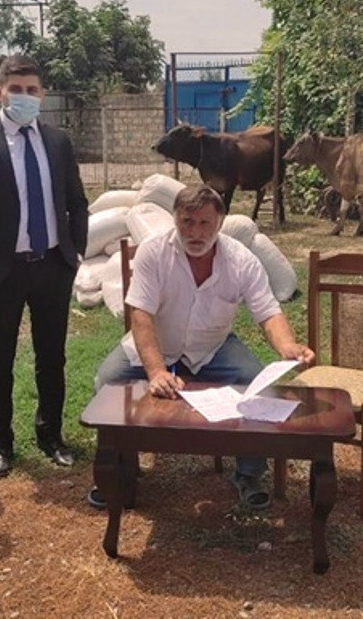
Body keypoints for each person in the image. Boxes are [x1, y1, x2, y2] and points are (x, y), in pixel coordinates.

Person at [86, 185, 315, 510]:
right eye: (187, 222)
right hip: (155, 346)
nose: (195, 232)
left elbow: (268, 312)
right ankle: (118, 473)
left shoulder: (241, 259)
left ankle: (249, 474)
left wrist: (287, 345)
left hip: (212, 348)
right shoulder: (153, 252)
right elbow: (141, 315)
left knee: (257, 384)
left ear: (220, 223)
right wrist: (156, 371)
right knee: (107, 382)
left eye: (205, 223)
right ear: (175, 219)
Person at [0, 55, 89, 478]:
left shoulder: (58, 142)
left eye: (32, 90)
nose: (24, 96)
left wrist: (75, 255)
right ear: (0, 92)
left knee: (52, 357)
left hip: (52, 266)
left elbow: (77, 202)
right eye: (16, 89)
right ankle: (1, 444)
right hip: (1, 272)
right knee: (0, 361)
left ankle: (51, 436)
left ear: (42, 94)